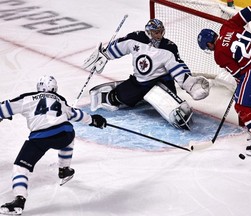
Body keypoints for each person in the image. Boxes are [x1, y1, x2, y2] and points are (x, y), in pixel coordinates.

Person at [0, 75, 107, 215]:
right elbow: (76, 114)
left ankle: (19, 201)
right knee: (69, 136)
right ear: (55, 89)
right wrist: (94, 120)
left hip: (40, 138)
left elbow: (4, 107)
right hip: (65, 133)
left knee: (21, 167)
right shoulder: (60, 100)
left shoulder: (28, 98)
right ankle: (64, 169)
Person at [84, 18, 211, 130]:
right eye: (156, 32)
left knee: (178, 115)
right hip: (140, 82)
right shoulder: (136, 38)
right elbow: (121, 45)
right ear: (148, 32)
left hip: (161, 82)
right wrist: (105, 54)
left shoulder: (168, 48)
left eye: (161, 31)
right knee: (114, 99)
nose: (159, 35)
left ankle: (156, 97)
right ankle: (137, 96)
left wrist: (190, 85)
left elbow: (178, 68)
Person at [197, 6, 251, 156]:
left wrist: (241, 85)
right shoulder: (227, 26)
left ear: (209, 44)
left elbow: (239, 73)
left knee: (241, 104)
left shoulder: (218, 55)